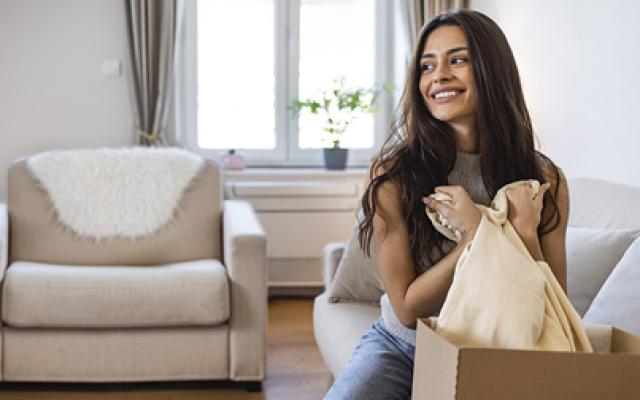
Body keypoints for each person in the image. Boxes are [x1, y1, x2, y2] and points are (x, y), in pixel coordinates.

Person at [323, 9, 568, 400]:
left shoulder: (543, 178)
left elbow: (553, 304)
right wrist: (477, 237)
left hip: (495, 355)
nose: (438, 76)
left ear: (492, 68)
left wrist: (525, 236)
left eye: (458, 59)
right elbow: (405, 308)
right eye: (426, 65)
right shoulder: (393, 174)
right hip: (403, 348)